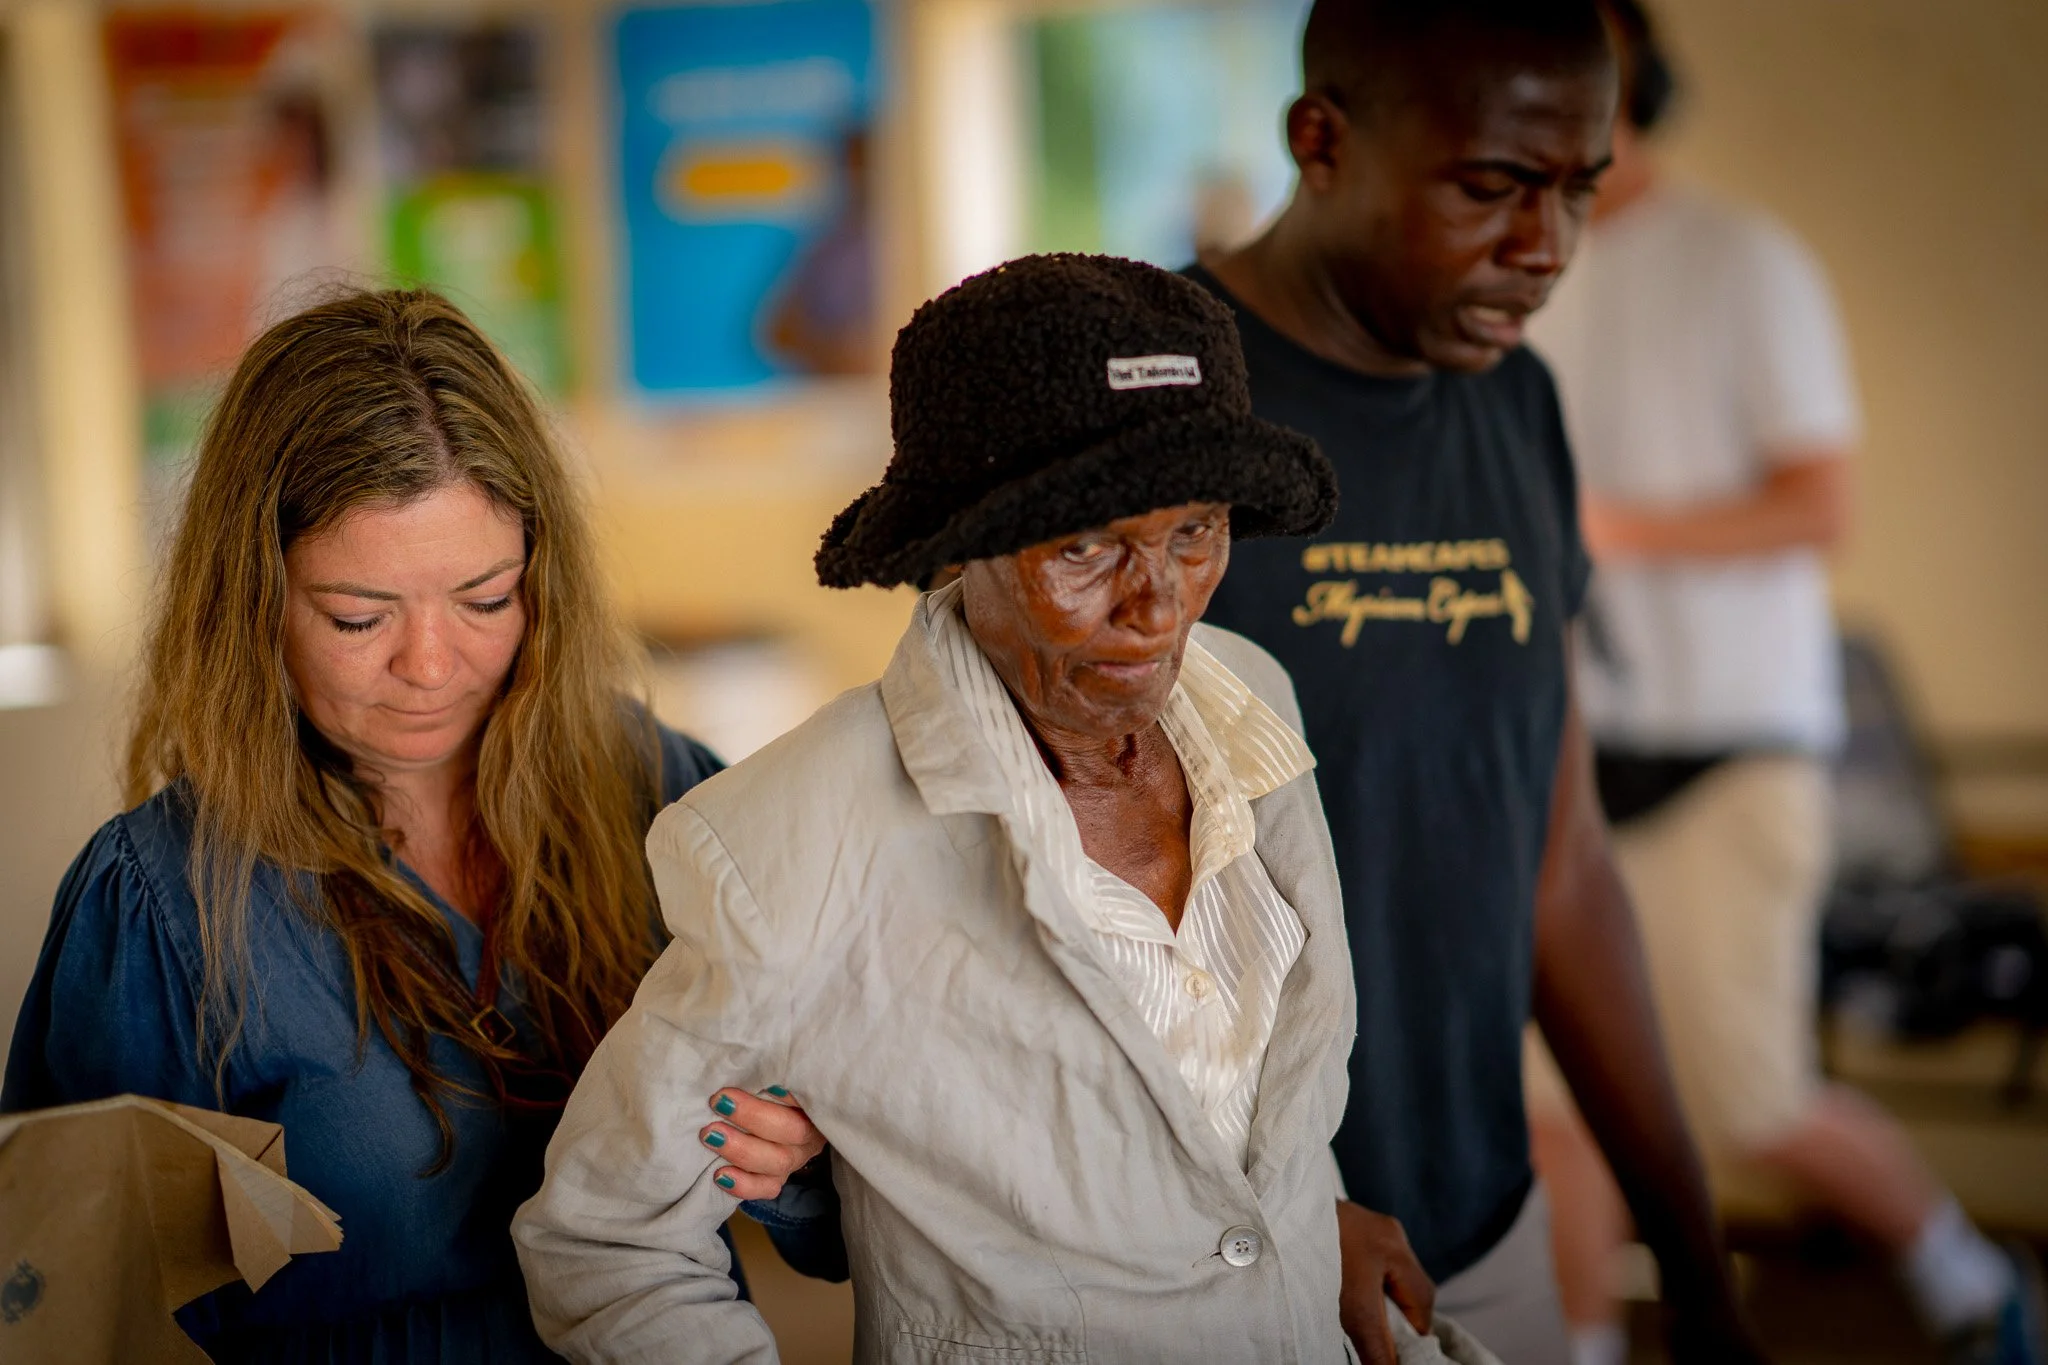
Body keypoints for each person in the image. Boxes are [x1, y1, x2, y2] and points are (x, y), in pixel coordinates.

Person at [516, 254, 1500, 1364]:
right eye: (1083, 548)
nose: (1157, 605)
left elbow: (1217, 1120)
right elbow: (605, 1245)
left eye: (1195, 532)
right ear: (963, 546)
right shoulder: (794, 837)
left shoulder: (1250, 703)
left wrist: (1299, 1235)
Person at [2, 289, 826, 1362]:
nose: (431, 669)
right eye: (358, 618)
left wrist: (802, 1168)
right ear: (253, 603)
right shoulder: (158, 905)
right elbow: (61, 1307)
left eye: (485, 600)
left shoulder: (663, 794)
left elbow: (835, 1226)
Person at [1183, 1, 1764, 1361]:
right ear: (1320, 141)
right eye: (1493, 188)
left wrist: (1693, 1259)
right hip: (1213, 1250)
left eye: (1578, 191)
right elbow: (1048, 894)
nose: (1545, 248)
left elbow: (1557, 861)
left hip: (1480, 1234)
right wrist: (1279, 1208)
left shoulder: (1517, 409)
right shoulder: (1157, 401)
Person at [1522, 5, 2048, 1364]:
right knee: (1551, 1106)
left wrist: (1614, 531)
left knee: (1746, 1095)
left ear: (1641, 92)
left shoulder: (1746, 263)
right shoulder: (1521, 272)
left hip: (1735, 747)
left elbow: (1822, 504)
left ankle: (1969, 1288)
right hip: (1568, 754)